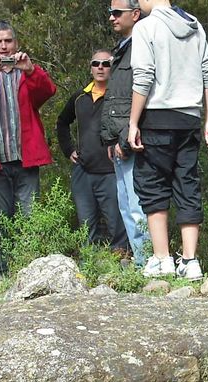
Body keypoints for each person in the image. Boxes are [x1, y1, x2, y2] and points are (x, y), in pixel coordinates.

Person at [126, 0, 208, 280]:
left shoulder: (146, 27)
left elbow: (143, 77)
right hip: (189, 117)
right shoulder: (194, 25)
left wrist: (132, 122)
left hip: (156, 117)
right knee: (187, 182)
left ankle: (162, 258)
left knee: (153, 184)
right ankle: (190, 261)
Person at [0, 20, 57, 278]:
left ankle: (32, 271)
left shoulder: (27, 72)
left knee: (31, 218)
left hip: (25, 158)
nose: (3, 46)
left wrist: (30, 69)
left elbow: (47, 91)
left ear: (16, 43)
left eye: (8, 41)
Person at [57, 50, 127, 249]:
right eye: (96, 63)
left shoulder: (119, 96)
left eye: (106, 64)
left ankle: (121, 261)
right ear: (91, 67)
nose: (101, 67)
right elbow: (62, 122)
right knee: (86, 226)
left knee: (117, 223)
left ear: (112, 67)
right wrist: (68, 149)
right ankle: (91, 264)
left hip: (112, 170)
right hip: (83, 170)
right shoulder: (79, 97)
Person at [100, 0, 148, 266]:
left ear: (136, 14)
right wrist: (110, 138)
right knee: (126, 206)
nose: (111, 18)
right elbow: (115, 99)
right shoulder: (122, 49)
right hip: (119, 141)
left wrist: (122, 138)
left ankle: (150, 261)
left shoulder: (141, 47)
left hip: (130, 141)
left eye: (117, 13)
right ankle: (143, 262)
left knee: (138, 206)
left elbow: (137, 96)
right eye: (110, 12)